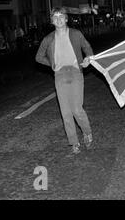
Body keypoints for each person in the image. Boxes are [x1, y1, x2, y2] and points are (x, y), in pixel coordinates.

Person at [36, 8, 94, 155]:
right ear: (52, 21)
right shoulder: (48, 38)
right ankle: (74, 142)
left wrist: (88, 59)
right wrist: (52, 64)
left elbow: (87, 48)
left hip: (75, 72)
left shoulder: (76, 34)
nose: (58, 19)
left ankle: (87, 132)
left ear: (66, 19)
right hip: (60, 74)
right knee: (66, 112)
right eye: (55, 17)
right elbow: (38, 57)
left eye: (61, 16)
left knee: (76, 109)